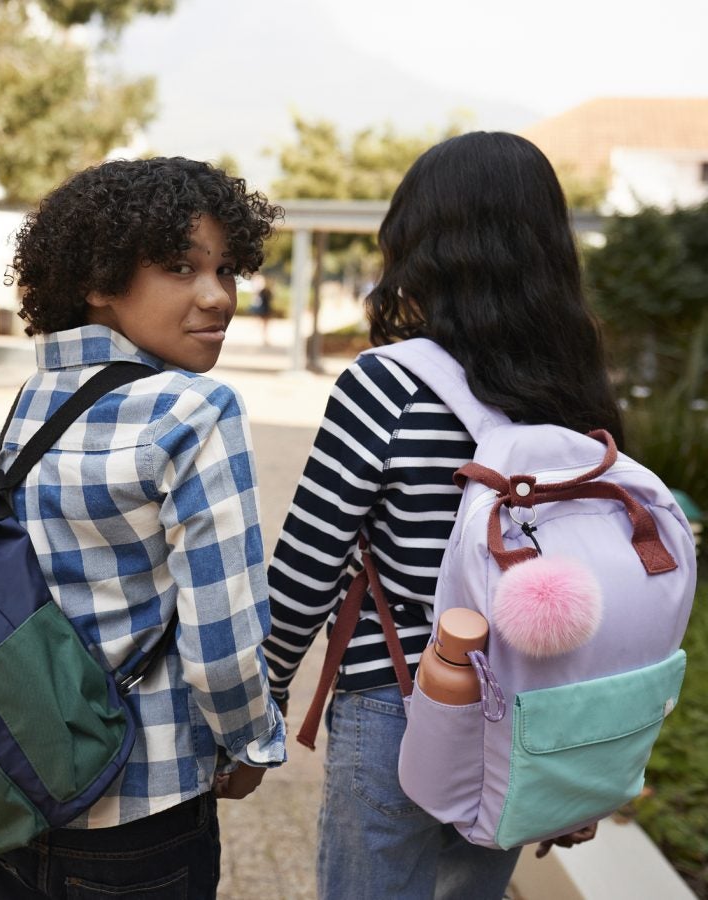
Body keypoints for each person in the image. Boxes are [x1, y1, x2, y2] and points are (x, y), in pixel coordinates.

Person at [263, 132, 614, 899]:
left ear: (421, 245)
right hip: (520, 708)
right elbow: (593, 566)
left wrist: (262, 696)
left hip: (397, 701)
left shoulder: (386, 383)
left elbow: (308, 562)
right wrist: (579, 752)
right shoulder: (575, 388)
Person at [0, 156, 287, 899]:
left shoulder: (34, 399)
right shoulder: (195, 411)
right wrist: (251, 743)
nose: (217, 297)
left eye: (227, 269)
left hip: (18, 789)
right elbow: (222, 641)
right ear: (99, 281)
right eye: (182, 267)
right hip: (143, 812)